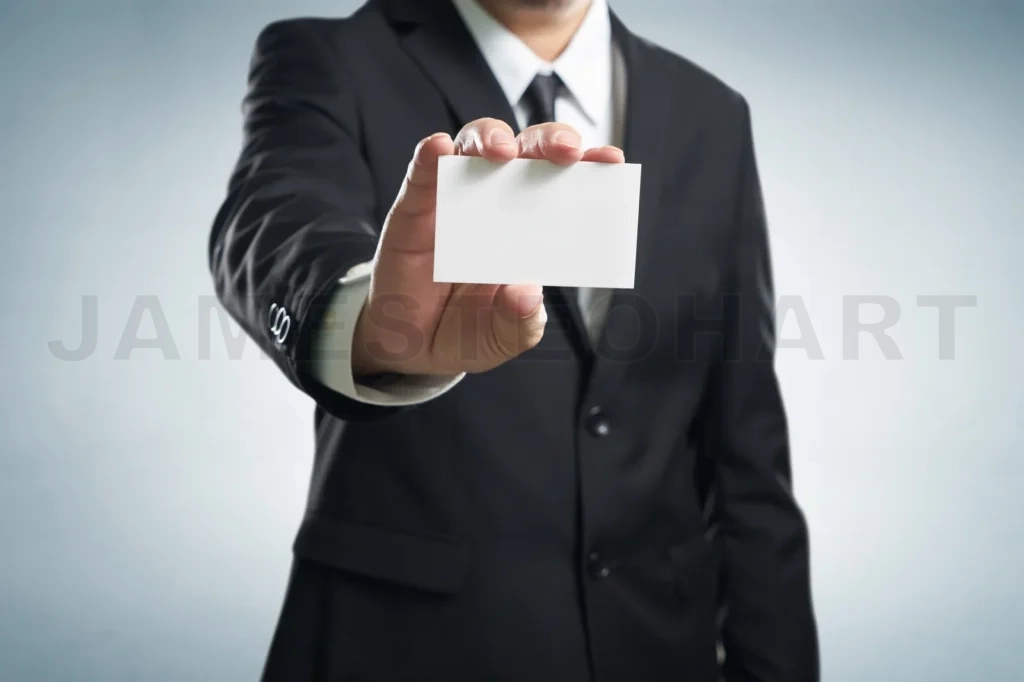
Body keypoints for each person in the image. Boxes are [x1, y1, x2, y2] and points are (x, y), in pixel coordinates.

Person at [208, 0, 819, 679]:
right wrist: (364, 322)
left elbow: (747, 459)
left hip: (655, 647)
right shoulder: (330, 57)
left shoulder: (711, 111)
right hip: (403, 648)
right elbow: (269, 222)